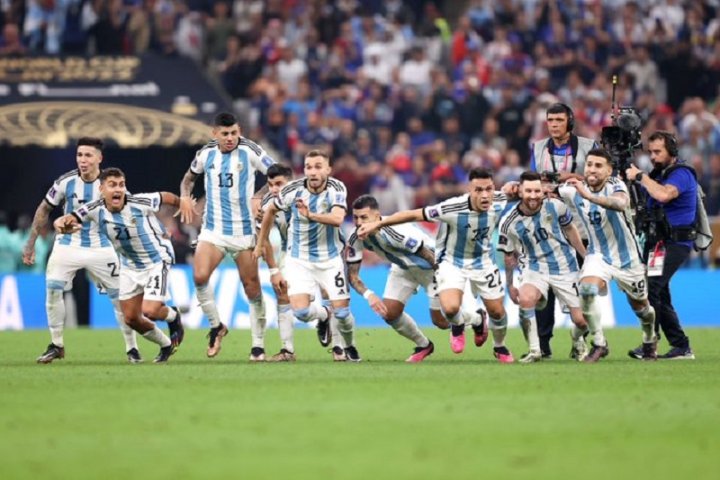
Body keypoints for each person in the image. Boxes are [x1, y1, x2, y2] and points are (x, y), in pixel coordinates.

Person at [358, 168, 513, 363]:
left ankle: (488, 333)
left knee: (454, 318)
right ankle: (425, 344)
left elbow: (524, 192)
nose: (484, 195)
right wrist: (379, 224)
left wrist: (517, 187)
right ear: (469, 190)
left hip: (451, 264)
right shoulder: (452, 207)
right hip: (433, 264)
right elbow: (415, 214)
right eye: (478, 190)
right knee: (397, 312)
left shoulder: (499, 200)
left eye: (488, 189)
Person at [53, 168, 192, 363]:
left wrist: (182, 202)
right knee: (131, 318)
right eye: (112, 185)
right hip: (129, 265)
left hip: (156, 260)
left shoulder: (139, 202)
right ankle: (166, 344)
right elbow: (68, 219)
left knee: (150, 310)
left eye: (121, 184)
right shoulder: (94, 208)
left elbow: (164, 196)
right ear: (101, 189)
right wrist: (60, 225)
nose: (118, 189)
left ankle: (173, 316)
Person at [23, 137, 140, 364]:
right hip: (68, 244)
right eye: (79, 155)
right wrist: (30, 243)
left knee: (120, 299)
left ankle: (132, 348)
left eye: (88, 155)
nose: (83, 160)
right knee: (53, 290)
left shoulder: (111, 183)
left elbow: (129, 214)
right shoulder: (66, 182)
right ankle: (56, 344)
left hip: (101, 246)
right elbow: (44, 208)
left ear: (99, 158)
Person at [178, 112, 275, 359]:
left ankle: (258, 344)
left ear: (239, 130)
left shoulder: (251, 150)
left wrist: (259, 195)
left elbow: (278, 176)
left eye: (234, 133)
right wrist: (184, 197)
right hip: (213, 230)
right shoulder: (205, 154)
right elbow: (188, 180)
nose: (230, 138)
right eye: (225, 134)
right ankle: (216, 326)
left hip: (244, 231)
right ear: (215, 133)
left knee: (251, 288)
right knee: (199, 276)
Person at [254, 150, 361, 362]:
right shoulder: (291, 191)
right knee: (301, 312)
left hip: (330, 258)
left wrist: (311, 215)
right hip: (299, 258)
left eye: (318, 166)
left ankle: (347, 346)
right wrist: (259, 244)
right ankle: (323, 315)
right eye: (309, 167)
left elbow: (338, 218)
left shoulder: (337, 188)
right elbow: (269, 212)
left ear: (328, 170)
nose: (313, 171)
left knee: (342, 312)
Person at [559, 149, 658, 361]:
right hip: (598, 256)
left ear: (609, 170)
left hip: (628, 259)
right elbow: (544, 190)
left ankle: (650, 338)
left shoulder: (616, 185)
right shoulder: (573, 190)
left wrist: (588, 196)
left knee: (642, 308)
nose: (592, 169)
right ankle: (599, 343)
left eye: (598, 165)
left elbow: (620, 203)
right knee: (586, 290)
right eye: (589, 164)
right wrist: (515, 188)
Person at [498, 172, 589, 363]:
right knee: (526, 299)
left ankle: (577, 339)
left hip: (565, 266)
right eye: (528, 191)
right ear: (520, 192)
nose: (533, 195)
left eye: (537, 191)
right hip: (534, 267)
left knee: (581, 321)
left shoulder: (556, 206)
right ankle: (534, 350)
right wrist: (510, 285)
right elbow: (508, 256)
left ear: (543, 191)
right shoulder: (509, 222)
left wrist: (585, 258)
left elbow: (571, 230)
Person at [530, 103, 597, 359]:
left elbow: (599, 178)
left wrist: (572, 178)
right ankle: (543, 345)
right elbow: (530, 180)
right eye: (550, 120)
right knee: (543, 289)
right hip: (548, 225)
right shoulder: (538, 148)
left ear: (570, 121)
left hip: (581, 225)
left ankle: (581, 341)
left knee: (582, 287)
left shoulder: (588, 146)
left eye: (559, 119)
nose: (554, 124)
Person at [347, 194, 449, 363]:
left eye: (364, 217)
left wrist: (442, 274)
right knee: (390, 313)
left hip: (430, 266)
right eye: (356, 217)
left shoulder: (393, 230)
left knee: (441, 321)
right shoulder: (355, 237)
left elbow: (426, 254)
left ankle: (475, 319)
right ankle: (423, 345)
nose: (359, 223)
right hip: (402, 267)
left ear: (377, 216)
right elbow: (353, 275)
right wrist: (369, 295)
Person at [625, 132, 696, 359]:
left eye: (658, 152)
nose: (653, 157)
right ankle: (681, 346)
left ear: (672, 152)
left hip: (676, 241)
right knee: (660, 293)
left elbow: (665, 195)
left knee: (651, 287)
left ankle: (650, 343)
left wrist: (640, 177)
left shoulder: (682, 174)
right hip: (658, 243)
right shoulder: (659, 174)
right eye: (651, 152)